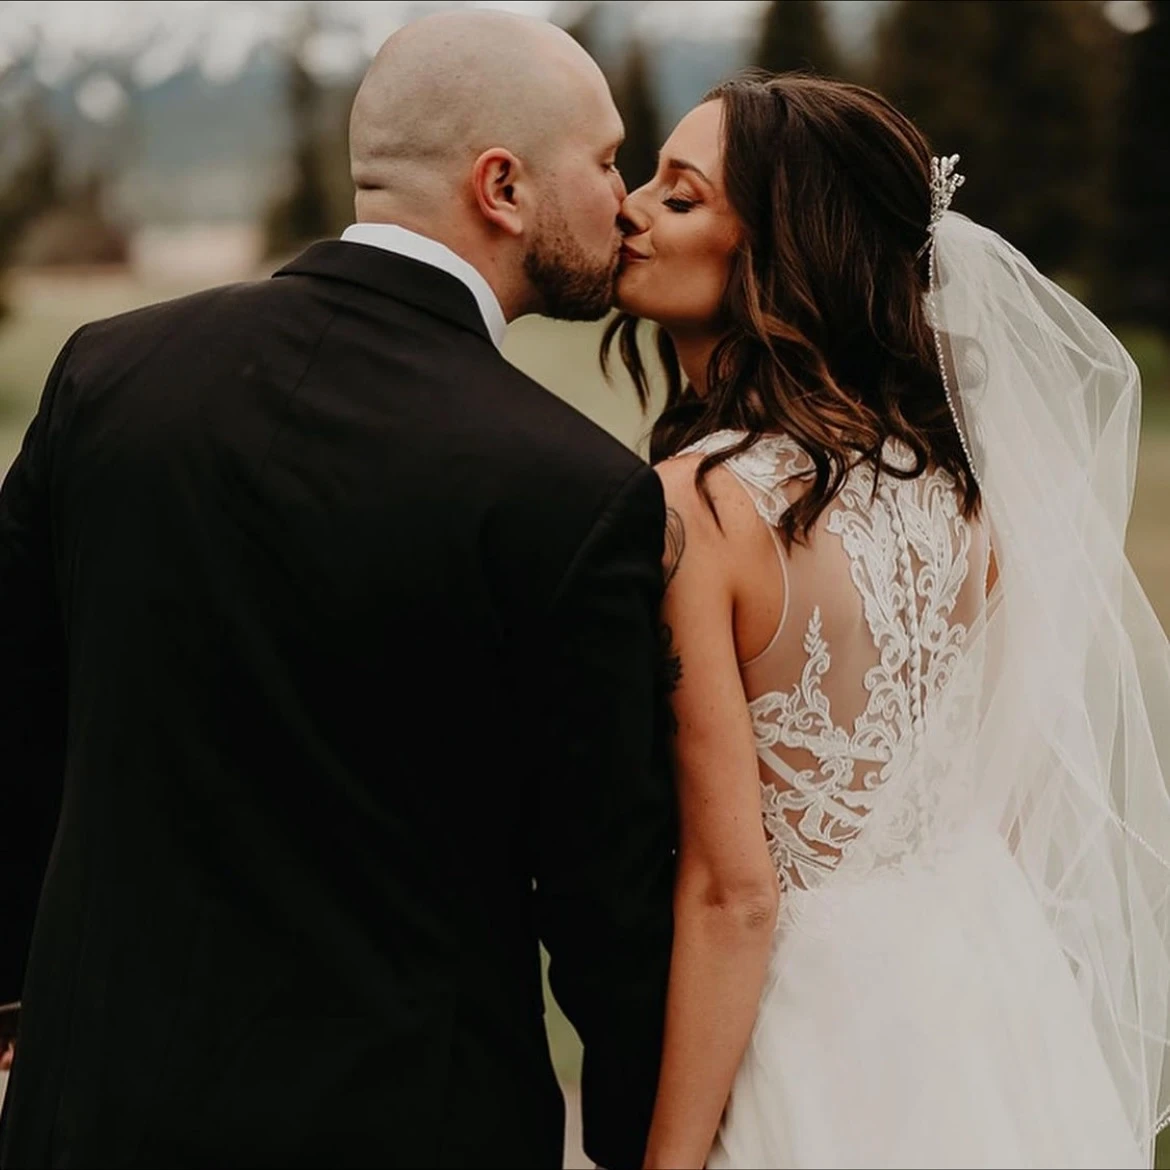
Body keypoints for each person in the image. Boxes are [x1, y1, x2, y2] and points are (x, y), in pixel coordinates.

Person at [0, 12, 676, 1168]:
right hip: (407, 1121)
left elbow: (14, 713)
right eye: (607, 160)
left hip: (93, 1107)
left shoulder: (109, 377)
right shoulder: (572, 491)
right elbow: (606, 905)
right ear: (501, 186)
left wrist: (16, 1007)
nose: (626, 200)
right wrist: (635, 1142)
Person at [609, 72, 1170, 1168]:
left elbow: (735, 894)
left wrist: (663, 1162)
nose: (629, 208)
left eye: (678, 198)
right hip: (984, 999)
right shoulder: (963, 484)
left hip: (820, 1036)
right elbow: (991, 789)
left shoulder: (701, 506)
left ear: (780, 252)